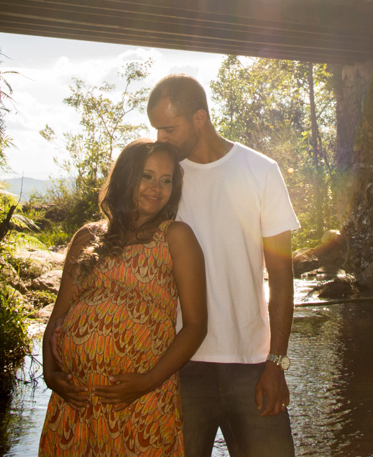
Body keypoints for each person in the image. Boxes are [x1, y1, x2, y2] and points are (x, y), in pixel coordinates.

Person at [147, 74, 299, 457]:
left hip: (251, 366)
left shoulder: (261, 171)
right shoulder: (164, 182)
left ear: (199, 119)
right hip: (181, 366)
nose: (160, 139)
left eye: (168, 128)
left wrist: (275, 364)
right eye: (156, 129)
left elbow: (282, 279)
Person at [39, 138, 207, 457]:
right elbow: (58, 315)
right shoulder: (87, 237)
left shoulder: (176, 237)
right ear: (126, 176)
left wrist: (147, 381)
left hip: (141, 401)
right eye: (147, 176)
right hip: (76, 404)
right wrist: (50, 375)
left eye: (166, 180)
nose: (156, 188)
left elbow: (196, 326)